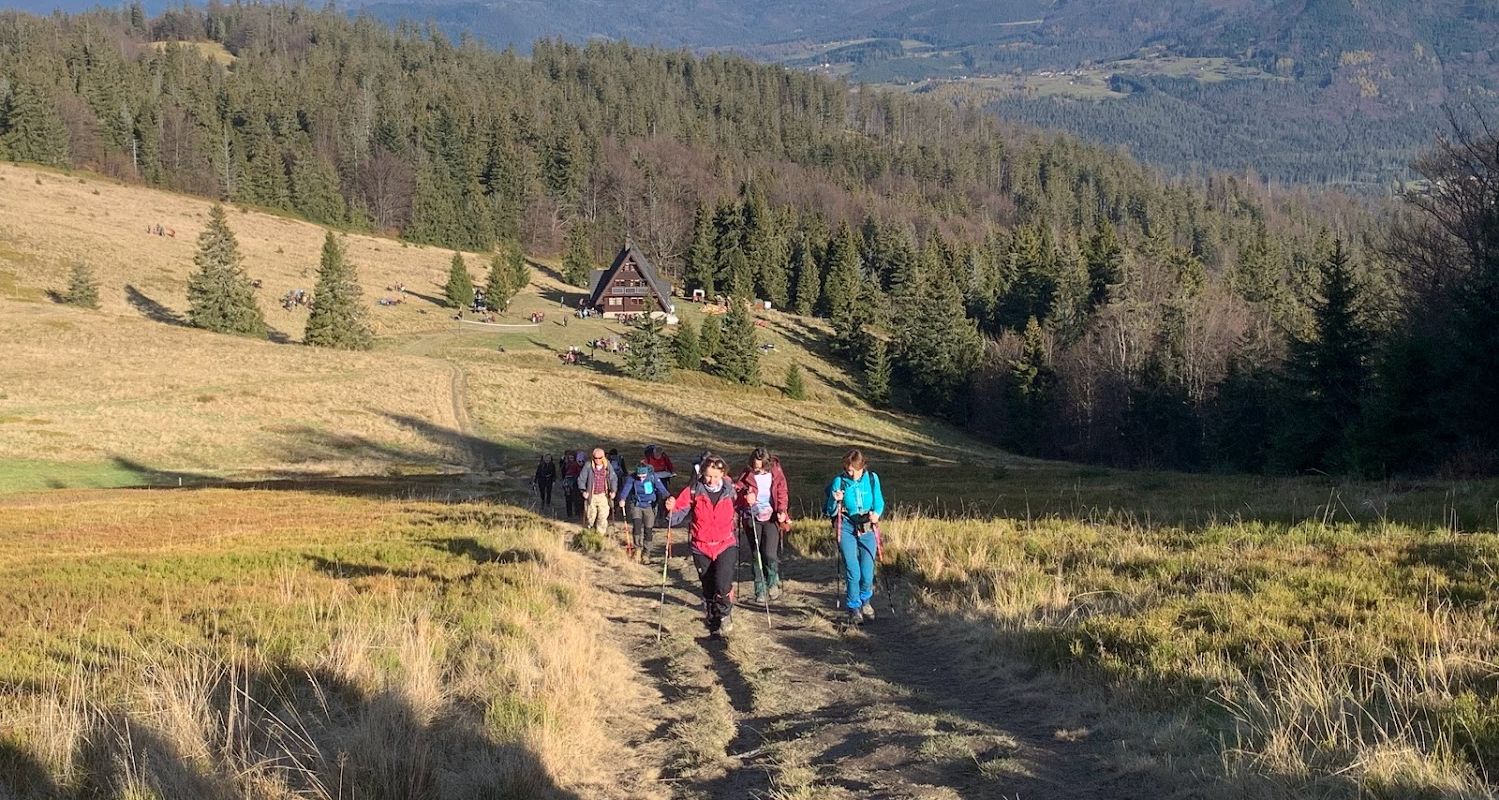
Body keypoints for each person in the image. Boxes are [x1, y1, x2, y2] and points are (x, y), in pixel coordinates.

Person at [666, 455, 740, 637]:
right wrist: (670, 508)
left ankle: (724, 614)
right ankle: (713, 619)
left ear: (723, 474)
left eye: (716, 476)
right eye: (708, 476)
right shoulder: (693, 490)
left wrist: (751, 501)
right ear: (702, 474)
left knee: (722, 584)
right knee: (708, 586)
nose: (711, 480)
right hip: (701, 546)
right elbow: (676, 515)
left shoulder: (732, 490)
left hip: (725, 543)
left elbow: (746, 505)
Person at [824, 449, 886, 626]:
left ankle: (865, 601)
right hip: (846, 527)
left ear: (862, 467)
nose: (849, 473)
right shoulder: (839, 481)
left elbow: (879, 502)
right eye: (847, 469)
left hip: (867, 527)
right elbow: (830, 511)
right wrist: (834, 500)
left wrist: (877, 514)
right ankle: (854, 608)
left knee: (867, 571)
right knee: (853, 569)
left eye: (853, 470)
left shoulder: (873, 479)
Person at [735, 447, 790, 604]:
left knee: (769, 553)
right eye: (755, 466)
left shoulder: (776, 472)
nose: (757, 470)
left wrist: (782, 510)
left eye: (760, 467)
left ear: (767, 463)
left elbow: (782, 492)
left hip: (772, 517)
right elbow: (737, 491)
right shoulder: (747, 474)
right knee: (756, 553)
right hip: (752, 516)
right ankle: (760, 589)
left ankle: (773, 581)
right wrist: (746, 497)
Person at [618, 463, 668, 563]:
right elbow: (626, 488)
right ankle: (637, 549)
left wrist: (668, 497)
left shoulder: (653, 477)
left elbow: (661, 488)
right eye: (639, 477)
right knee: (636, 527)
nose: (641, 479)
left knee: (648, 530)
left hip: (649, 506)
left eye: (643, 477)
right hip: (636, 505)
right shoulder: (632, 478)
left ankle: (646, 553)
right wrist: (622, 499)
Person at [577, 447, 618, 536]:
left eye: (600, 458)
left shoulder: (607, 466)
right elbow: (581, 479)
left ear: (603, 457)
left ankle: (600, 536)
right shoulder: (588, 465)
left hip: (604, 495)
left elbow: (613, 478)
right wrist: (583, 491)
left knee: (602, 517)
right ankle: (589, 534)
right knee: (590, 517)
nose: (597, 460)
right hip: (591, 495)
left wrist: (613, 491)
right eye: (595, 458)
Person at [562, 450, 584, 518]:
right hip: (569, 484)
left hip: (575, 485)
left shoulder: (578, 466)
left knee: (576, 499)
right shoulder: (567, 465)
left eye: (572, 458)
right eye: (570, 458)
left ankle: (575, 513)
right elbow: (564, 473)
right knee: (570, 499)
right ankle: (571, 514)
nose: (571, 459)